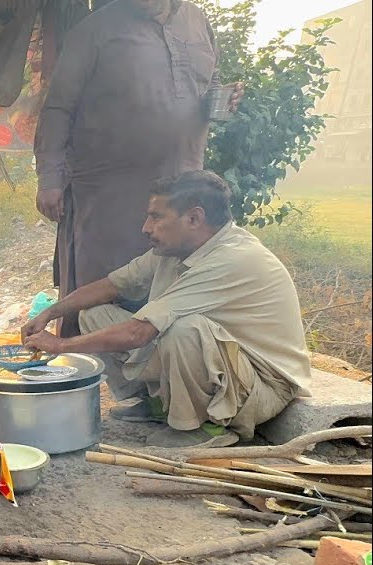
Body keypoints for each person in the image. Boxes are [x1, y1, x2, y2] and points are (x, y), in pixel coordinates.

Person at [22, 171, 311, 449]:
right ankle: (158, 405)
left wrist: (61, 345)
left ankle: (203, 428)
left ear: (194, 218)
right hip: (224, 366)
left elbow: (138, 332)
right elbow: (112, 285)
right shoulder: (176, 249)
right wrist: (50, 313)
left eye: (156, 217)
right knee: (95, 315)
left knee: (184, 329)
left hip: (263, 385)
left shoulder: (231, 259)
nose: (146, 227)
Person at [34, 0, 241, 337]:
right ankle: (85, 372)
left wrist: (222, 99)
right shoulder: (94, 30)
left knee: (172, 284)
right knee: (102, 290)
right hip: (107, 194)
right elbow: (57, 107)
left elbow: (210, 83)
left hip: (181, 187)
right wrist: (50, 178)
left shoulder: (197, 21)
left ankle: (156, 373)